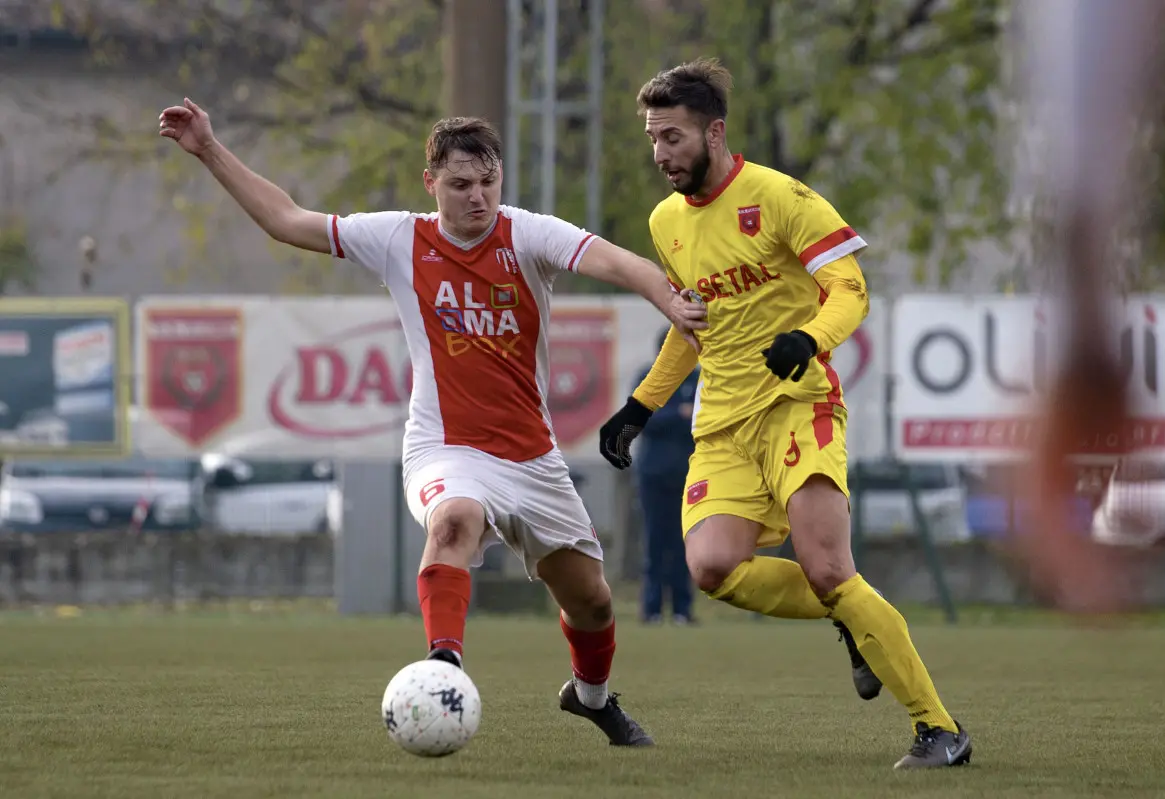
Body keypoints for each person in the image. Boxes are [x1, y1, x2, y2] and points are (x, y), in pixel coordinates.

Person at [158, 99, 709, 747]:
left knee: (591, 600)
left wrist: (669, 298)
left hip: (532, 457)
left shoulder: (527, 233)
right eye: (460, 184)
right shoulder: (399, 237)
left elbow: (619, 263)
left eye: (488, 181)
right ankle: (442, 666)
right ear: (431, 184)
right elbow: (287, 220)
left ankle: (591, 697)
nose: (478, 197)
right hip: (444, 446)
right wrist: (208, 148)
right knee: (454, 520)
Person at [596, 59, 970, 769]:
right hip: (722, 424)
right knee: (712, 568)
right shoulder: (665, 222)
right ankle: (856, 621)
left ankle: (939, 727)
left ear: (715, 130)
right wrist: (641, 404)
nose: (660, 154)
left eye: (672, 137)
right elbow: (689, 323)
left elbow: (849, 287)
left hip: (800, 405)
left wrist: (810, 338)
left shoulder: (780, 196)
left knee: (826, 566)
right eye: (652, 138)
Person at [633, 327, 698, 625]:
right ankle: (652, 609)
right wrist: (678, 415)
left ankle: (683, 610)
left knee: (685, 544)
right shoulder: (650, 378)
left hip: (691, 475)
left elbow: (706, 417)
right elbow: (641, 418)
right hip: (654, 475)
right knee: (655, 542)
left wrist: (682, 416)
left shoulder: (699, 379)